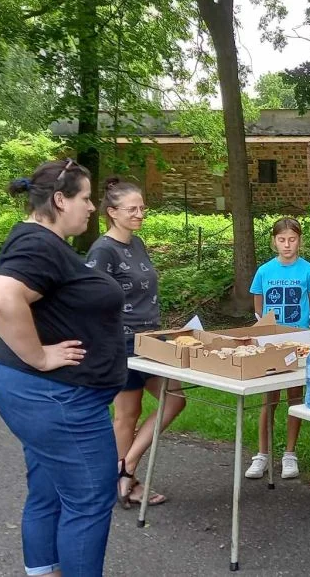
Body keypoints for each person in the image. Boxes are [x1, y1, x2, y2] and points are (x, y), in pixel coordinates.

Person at [0, 159, 125, 577]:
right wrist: (40, 356)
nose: (92, 207)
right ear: (60, 200)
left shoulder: (44, 242)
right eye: (85, 198)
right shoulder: (39, 243)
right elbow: (2, 298)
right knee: (89, 500)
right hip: (58, 398)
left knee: (49, 492)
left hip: (43, 394)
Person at [86, 178, 185, 509]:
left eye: (142, 207)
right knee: (127, 414)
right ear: (112, 212)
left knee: (175, 399)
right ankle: (123, 480)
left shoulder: (137, 243)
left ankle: (125, 468)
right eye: (133, 209)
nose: (140, 213)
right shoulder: (103, 250)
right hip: (121, 345)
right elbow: (91, 301)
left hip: (150, 341)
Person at [247, 217, 310, 480]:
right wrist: (268, 328)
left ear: (300, 240)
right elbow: (259, 306)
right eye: (282, 240)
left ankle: (290, 454)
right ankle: (262, 454)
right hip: (271, 341)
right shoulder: (265, 271)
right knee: (269, 398)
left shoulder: (309, 271)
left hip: (299, 341)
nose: (287, 245)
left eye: (292, 239)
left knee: (294, 398)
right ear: (273, 242)